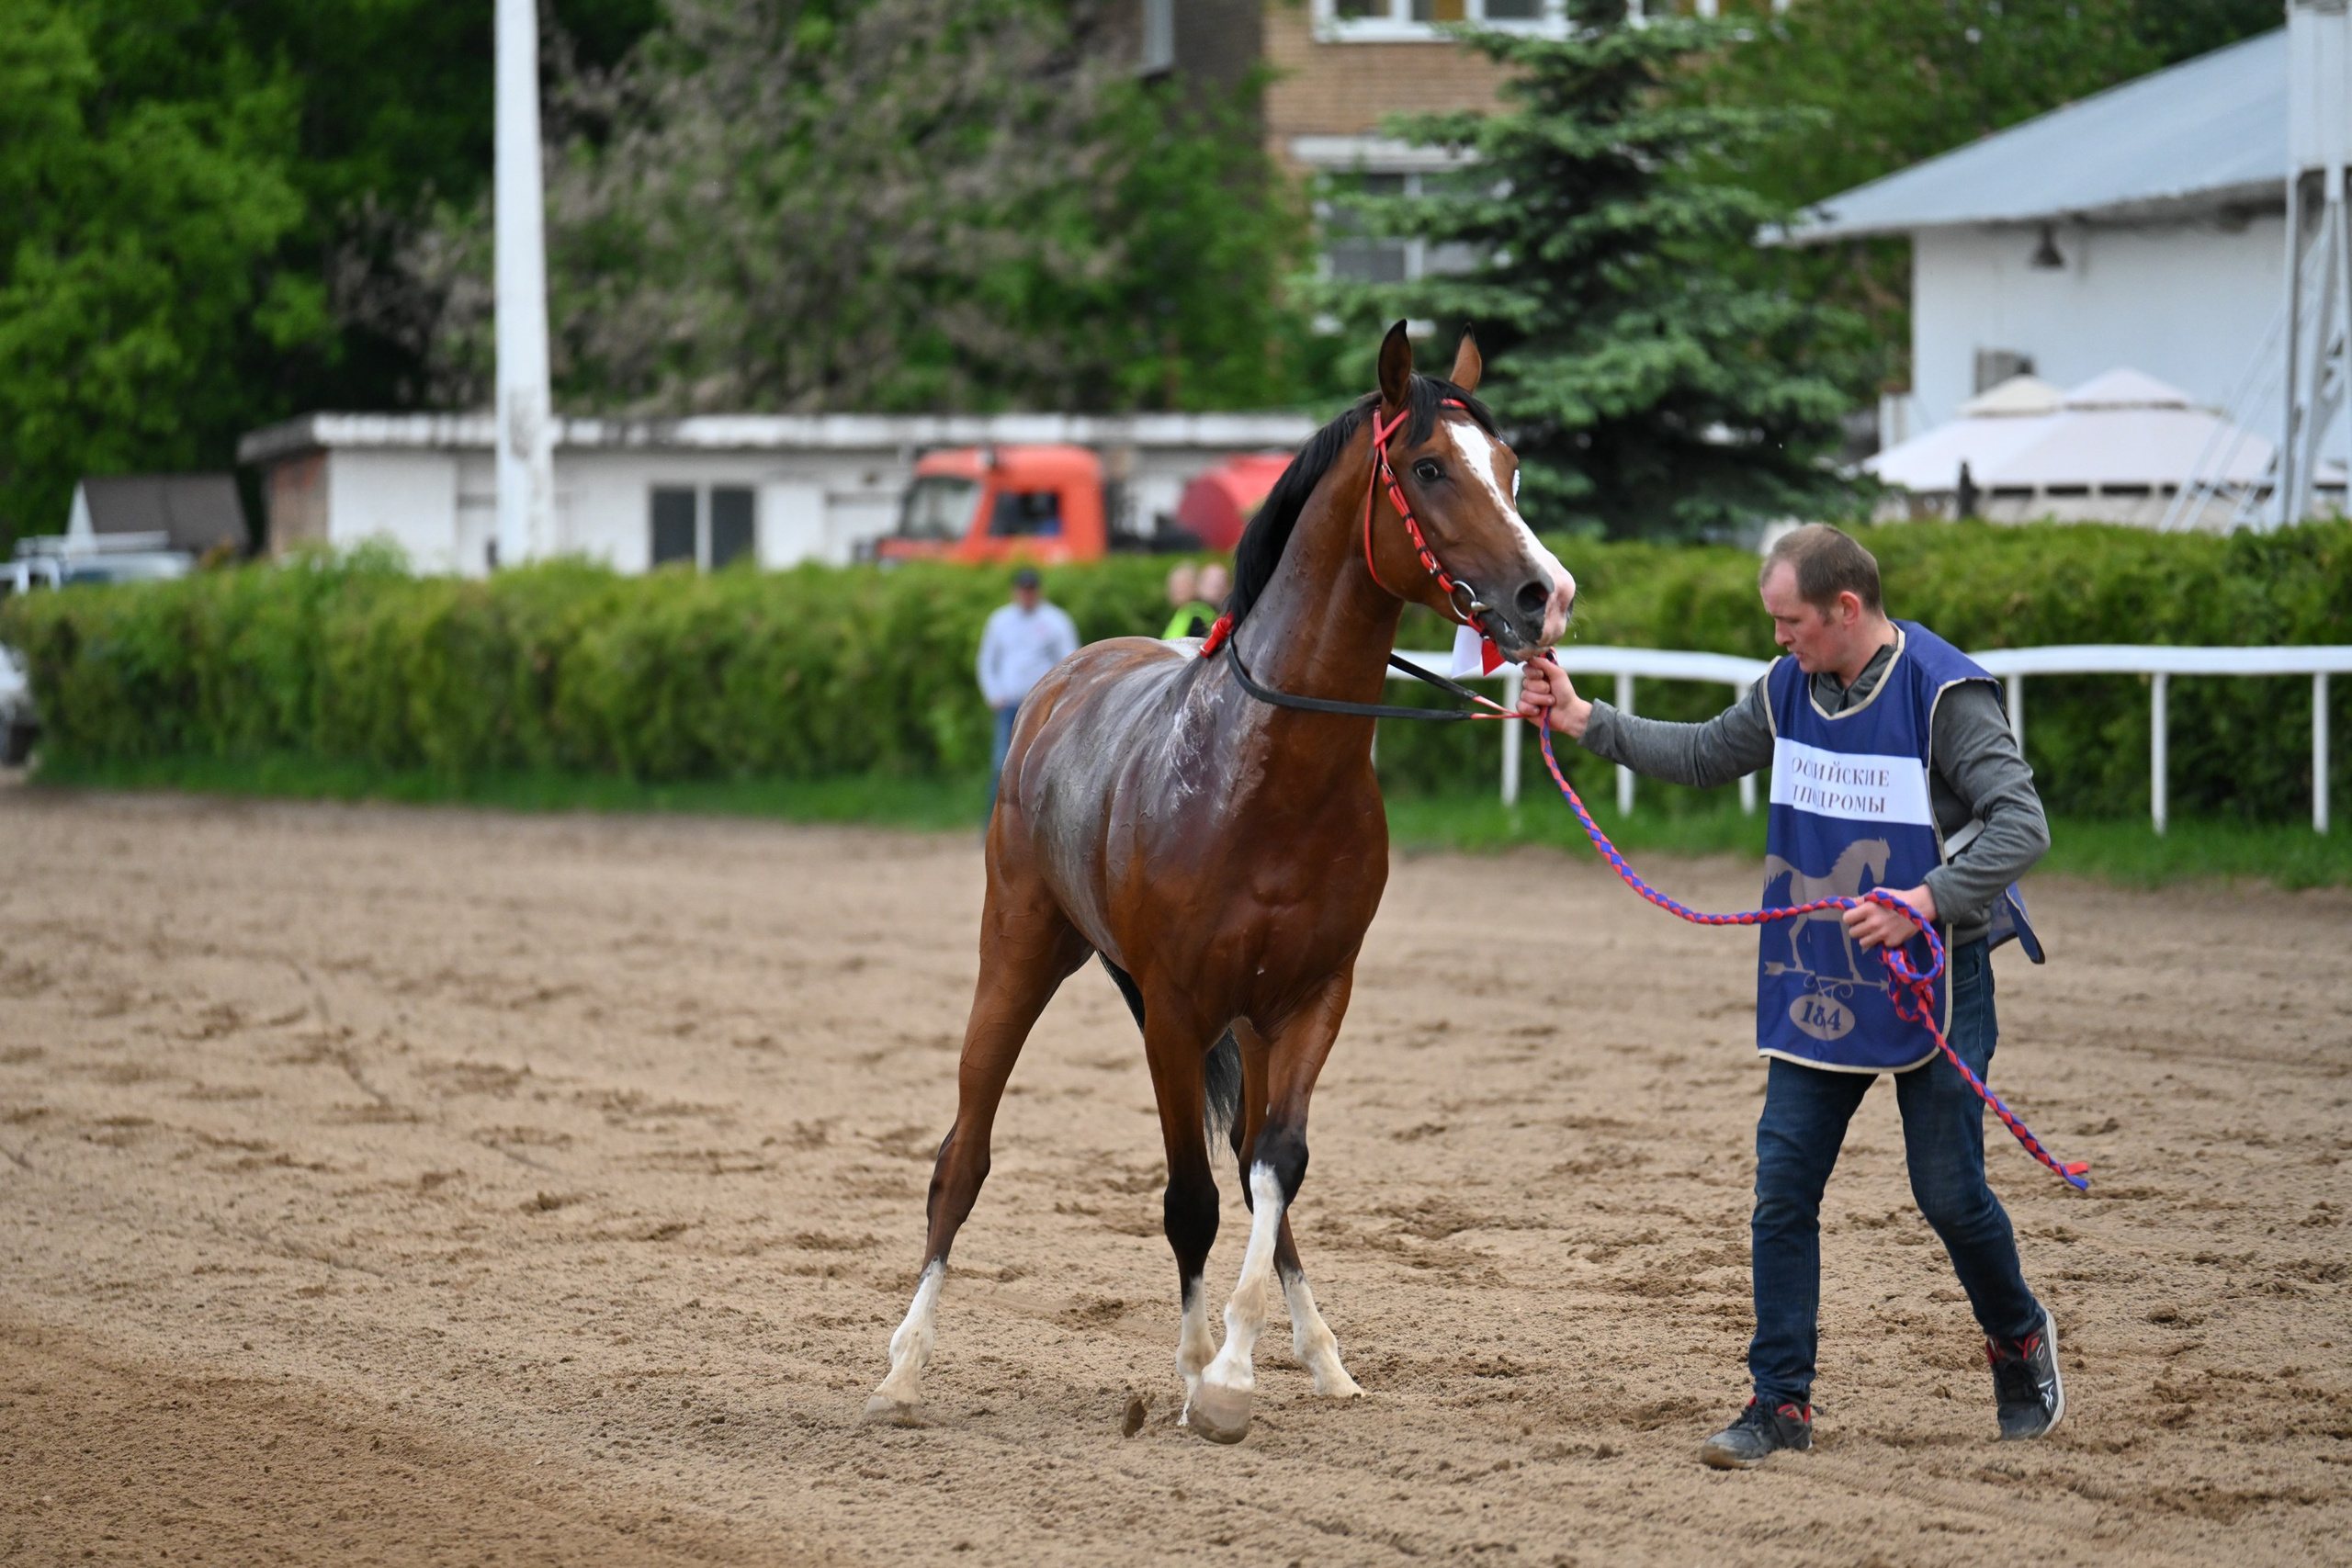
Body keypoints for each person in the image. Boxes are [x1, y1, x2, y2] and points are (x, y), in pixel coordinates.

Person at [1519, 523, 2063, 1470]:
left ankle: (2017, 1336)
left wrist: (1925, 901)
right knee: (1781, 1192)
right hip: (1813, 977)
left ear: (1845, 609)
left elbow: (2020, 824)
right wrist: (1582, 719)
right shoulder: (1787, 690)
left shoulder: (1946, 693)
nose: (1779, 639)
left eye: (1791, 621)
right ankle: (1780, 1405)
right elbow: (1698, 752)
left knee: (1948, 1195)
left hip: (1938, 980)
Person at [977, 567, 1080, 815]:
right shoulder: (999, 621)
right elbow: (987, 660)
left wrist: (1061, 697)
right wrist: (993, 694)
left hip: (1043, 705)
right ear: (1015, 591)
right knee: (1002, 764)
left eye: (1031, 589)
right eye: (1023, 590)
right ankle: (996, 823)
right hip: (1009, 704)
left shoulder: (1055, 620)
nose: (1027, 594)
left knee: (1047, 763)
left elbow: (1071, 660)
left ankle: (1046, 820)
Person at [1162, 562, 1216, 640]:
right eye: (1174, 584)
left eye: (1183, 584)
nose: (1177, 589)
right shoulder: (1184, 612)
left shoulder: (1196, 615)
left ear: (1196, 585)